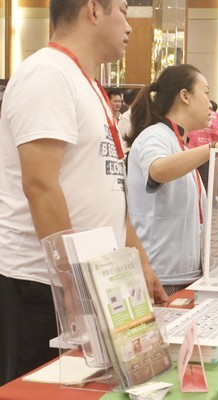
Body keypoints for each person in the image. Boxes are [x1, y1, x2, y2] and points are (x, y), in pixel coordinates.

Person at [0, 0, 167, 385]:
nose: (130, 26)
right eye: (123, 11)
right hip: (43, 288)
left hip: (89, 285)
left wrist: (138, 261)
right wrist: (73, 283)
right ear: (93, 9)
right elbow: (40, 185)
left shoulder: (87, 83)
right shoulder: (47, 74)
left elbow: (108, 189)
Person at [125, 64, 218, 295]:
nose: (210, 103)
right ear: (185, 96)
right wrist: (214, 147)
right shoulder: (155, 136)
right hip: (160, 277)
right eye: (206, 93)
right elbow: (158, 170)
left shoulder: (181, 143)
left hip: (184, 275)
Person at [188, 100, 218, 189]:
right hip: (210, 153)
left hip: (193, 150)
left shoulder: (196, 116)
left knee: (194, 177)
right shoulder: (216, 118)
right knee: (207, 178)